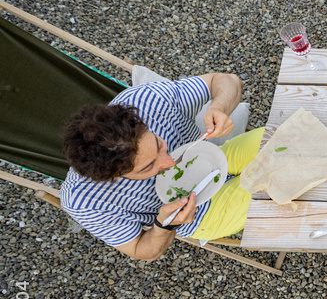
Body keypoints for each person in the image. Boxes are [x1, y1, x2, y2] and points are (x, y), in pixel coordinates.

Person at [60, 73, 264, 261]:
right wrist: (166, 226)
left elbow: (227, 80)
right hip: (204, 212)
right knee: (278, 183)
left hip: (217, 158)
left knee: (288, 141)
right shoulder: (84, 201)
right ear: (112, 178)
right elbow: (142, 251)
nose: (170, 163)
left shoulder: (146, 101)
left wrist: (219, 107)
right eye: (148, 167)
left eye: (159, 144)